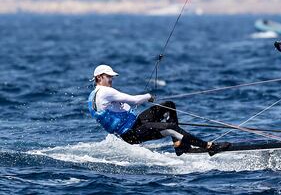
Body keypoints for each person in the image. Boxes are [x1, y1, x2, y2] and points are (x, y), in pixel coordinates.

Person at [87, 64, 230, 156]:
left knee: (168, 105)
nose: (111, 80)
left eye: (112, 77)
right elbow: (135, 100)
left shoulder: (92, 96)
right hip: (131, 133)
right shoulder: (105, 92)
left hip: (134, 124)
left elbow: (115, 110)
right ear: (99, 77)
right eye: (109, 77)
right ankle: (210, 146)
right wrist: (148, 96)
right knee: (171, 128)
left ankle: (179, 145)